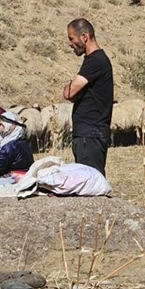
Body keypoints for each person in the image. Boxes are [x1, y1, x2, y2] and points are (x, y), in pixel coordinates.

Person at [63, 18, 113, 176]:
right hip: (89, 135)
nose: (70, 43)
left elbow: (69, 93)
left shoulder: (96, 61)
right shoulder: (95, 61)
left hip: (90, 135)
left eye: (71, 38)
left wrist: (70, 89)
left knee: (90, 182)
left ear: (84, 37)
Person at [0, 112, 34, 176]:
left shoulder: (9, 147)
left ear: (8, 126)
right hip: (25, 178)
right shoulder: (24, 143)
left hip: (11, 180)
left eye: (1, 125)